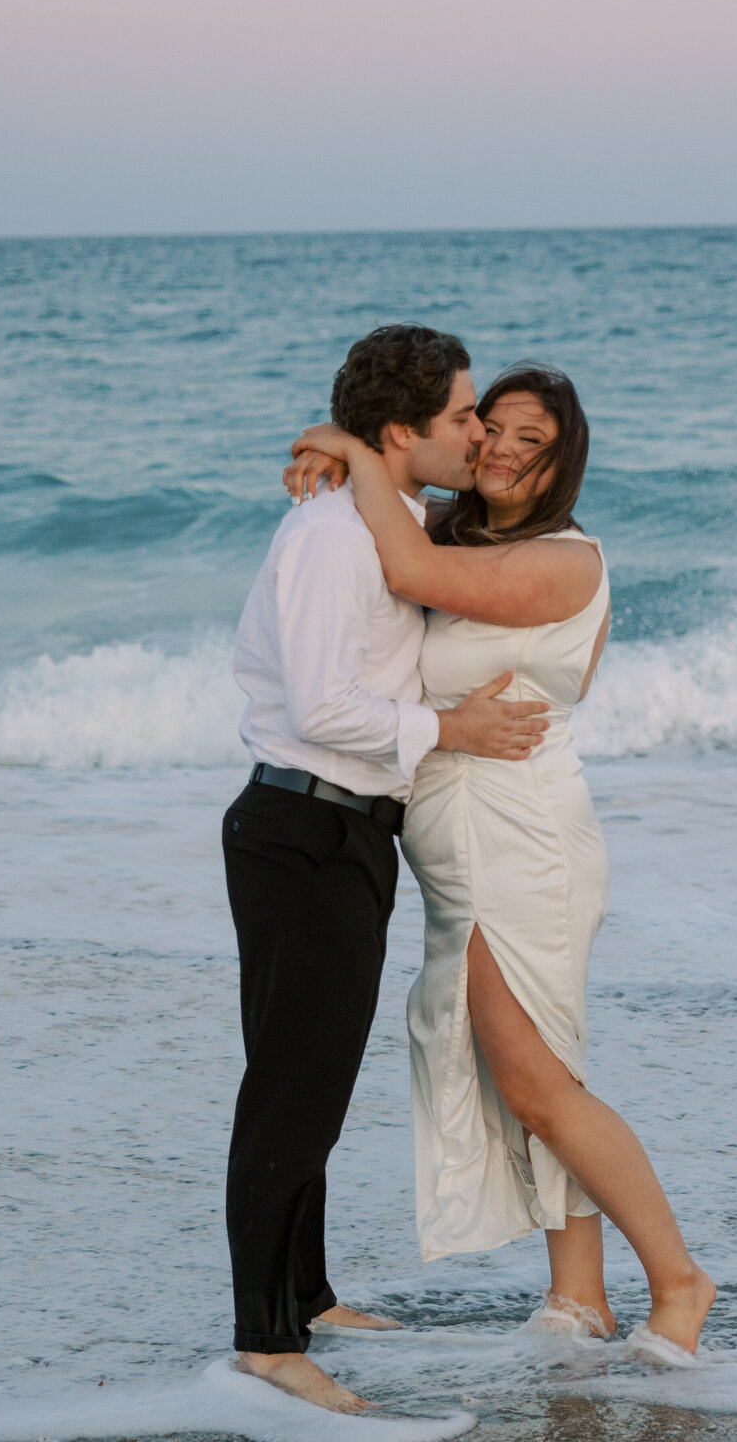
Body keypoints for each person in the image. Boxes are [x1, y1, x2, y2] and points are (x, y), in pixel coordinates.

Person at [286, 363, 716, 1362]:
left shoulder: (566, 559)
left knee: (535, 1081)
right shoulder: (459, 528)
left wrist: (350, 446)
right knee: (532, 1068)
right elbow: (401, 529)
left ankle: (680, 1282)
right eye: (497, 428)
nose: (510, 449)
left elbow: (414, 579)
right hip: (461, 843)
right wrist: (362, 462)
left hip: (521, 836)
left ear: (567, 462)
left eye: (539, 439)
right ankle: (579, 1297)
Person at [224, 326, 549, 1414]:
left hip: (349, 830)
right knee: (292, 1088)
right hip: (301, 827)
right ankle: (265, 1341)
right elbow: (321, 707)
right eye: (464, 416)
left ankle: (306, 1295)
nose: (479, 433)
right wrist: (449, 727)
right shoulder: (330, 537)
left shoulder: (388, 514)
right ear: (404, 431)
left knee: (313, 1073)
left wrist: (343, 447)